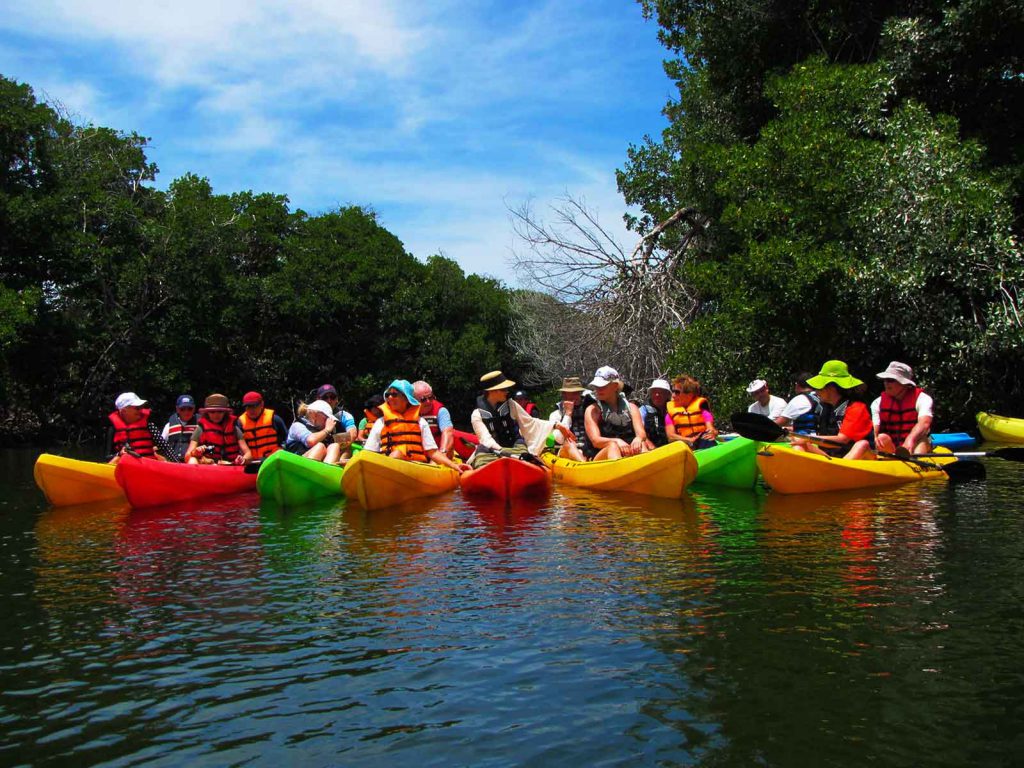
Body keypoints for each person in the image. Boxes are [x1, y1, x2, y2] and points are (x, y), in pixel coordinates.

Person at [469, 370, 573, 467]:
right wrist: (502, 452)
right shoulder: (476, 415)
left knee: (524, 453)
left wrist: (556, 425)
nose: (507, 392)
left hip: (515, 447)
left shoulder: (511, 405)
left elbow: (530, 422)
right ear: (492, 391)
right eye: (503, 389)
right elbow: (486, 439)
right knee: (480, 459)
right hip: (492, 451)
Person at [363, 379, 466, 471]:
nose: (390, 397)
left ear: (406, 399)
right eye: (387, 395)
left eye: (394, 394)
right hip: (387, 466)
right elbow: (368, 452)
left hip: (416, 468)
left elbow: (433, 453)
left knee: (396, 455)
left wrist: (454, 466)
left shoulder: (421, 422)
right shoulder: (380, 422)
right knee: (396, 455)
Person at [846, 361, 934, 460]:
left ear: (904, 383)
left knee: (922, 440)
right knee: (882, 437)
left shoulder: (922, 399)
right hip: (892, 448)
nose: (886, 383)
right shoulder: (877, 403)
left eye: (891, 380)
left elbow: (924, 423)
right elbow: (875, 429)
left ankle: (917, 466)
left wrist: (910, 439)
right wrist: (875, 437)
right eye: (885, 380)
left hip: (916, 443)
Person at [791, 361, 873, 458]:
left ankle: (840, 471)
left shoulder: (856, 407)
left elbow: (842, 440)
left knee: (862, 444)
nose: (816, 392)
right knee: (800, 445)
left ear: (831, 388)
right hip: (832, 457)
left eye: (819, 387)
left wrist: (808, 438)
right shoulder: (824, 407)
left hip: (857, 459)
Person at [584, 366, 651, 460]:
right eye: (596, 386)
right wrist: (617, 441)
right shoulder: (592, 410)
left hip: (627, 452)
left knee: (642, 444)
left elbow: (641, 433)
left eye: (602, 386)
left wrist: (638, 439)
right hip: (600, 455)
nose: (598, 390)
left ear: (615, 386)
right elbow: (596, 441)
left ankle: (646, 471)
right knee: (613, 447)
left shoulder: (632, 408)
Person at [185, 394, 252, 465]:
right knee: (192, 460)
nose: (216, 415)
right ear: (207, 413)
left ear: (225, 412)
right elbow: (187, 457)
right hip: (209, 466)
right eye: (212, 412)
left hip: (230, 466)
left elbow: (249, 454)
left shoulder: (234, 428)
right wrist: (195, 452)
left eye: (220, 411)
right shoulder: (201, 429)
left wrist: (243, 459)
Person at [108, 392, 171, 463]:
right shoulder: (113, 430)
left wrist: (179, 465)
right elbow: (108, 457)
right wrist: (119, 454)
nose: (140, 410)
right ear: (124, 410)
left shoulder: (149, 426)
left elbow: (166, 449)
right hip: (125, 466)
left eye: (141, 407)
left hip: (148, 467)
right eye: (137, 408)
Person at [664, 375, 718, 450]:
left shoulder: (702, 410)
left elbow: (710, 428)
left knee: (706, 438)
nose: (673, 395)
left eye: (677, 392)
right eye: (673, 391)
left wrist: (713, 432)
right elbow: (671, 436)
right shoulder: (669, 414)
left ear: (689, 395)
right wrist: (689, 440)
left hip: (702, 441)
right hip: (684, 445)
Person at [548, 376, 594, 461]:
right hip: (566, 449)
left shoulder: (591, 408)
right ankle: (584, 467)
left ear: (580, 393)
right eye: (567, 393)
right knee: (570, 445)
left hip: (588, 449)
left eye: (576, 393)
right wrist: (568, 414)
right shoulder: (556, 413)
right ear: (563, 394)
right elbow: (559, 439)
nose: (572, 396)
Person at [238, 391, 288, 461]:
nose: (251, 410)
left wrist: (283, 449)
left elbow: (287, 439)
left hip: (272, 460)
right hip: (251, 462)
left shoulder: (275, 419)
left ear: (262, 404)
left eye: (254, 406)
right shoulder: (240, 423)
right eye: (248, 407)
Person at [412, 380, 455, 457]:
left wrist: (442, 454)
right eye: (423, 399)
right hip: (415, 454)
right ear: (413, 399)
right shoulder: (406, 409)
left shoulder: (441, 411)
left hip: (437, 454)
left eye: (431, 397)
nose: (428, 402)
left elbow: (448, 433)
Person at [316, 384, 357, 461]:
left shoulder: (344, 415)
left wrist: (332, 442)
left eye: (332, 397)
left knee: (347, 447)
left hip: (338, 449)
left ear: (337, 399)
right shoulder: (311, 414)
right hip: (317, 447)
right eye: (325, 397)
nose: (329, 400)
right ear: (318, 399)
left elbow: (352, 434)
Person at [161, 394, 199, 462]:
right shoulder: (169, 426)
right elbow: (161, 445)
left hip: (194, 462)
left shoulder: (200, 425)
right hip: (173, 462)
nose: (186, 412)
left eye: (189, 409)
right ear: (177, 409)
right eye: (182, 409)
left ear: (194, 409)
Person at [639, 378, 672, 448]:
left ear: (667, 395)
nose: (657, 395)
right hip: (651, 449)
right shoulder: (643, 410)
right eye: (654, 392)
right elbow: (639, 432)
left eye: (661, 392)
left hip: (671, 447)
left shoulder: (673, 409)